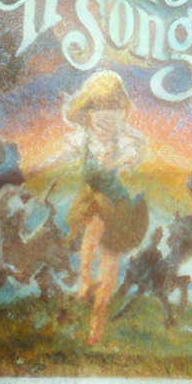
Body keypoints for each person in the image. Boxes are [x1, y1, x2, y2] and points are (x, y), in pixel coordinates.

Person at [61, 70, 149, 346]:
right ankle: (85, 279)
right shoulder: (81, 139)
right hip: (91, 201)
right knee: (90, 236)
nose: (106, 115)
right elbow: (64, 157)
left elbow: (138, 151)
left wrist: (128, 157)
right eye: (98, 107)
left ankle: (97, 323)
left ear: (120, 111)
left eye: (113, 107)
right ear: (87, 112)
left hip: (116, 203)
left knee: (111, 261)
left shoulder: (127, 140)